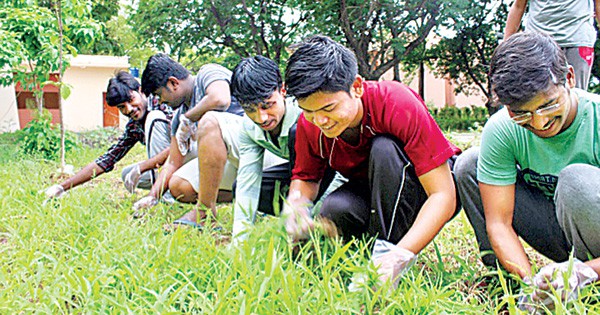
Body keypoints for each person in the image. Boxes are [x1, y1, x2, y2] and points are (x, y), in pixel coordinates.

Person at [282, 35, 461, 287]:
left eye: (329, 109)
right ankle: (370, 257)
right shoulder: (309, 125)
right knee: (334, 209)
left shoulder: (396, 102)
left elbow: (443, 195)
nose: (320, 120)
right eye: (309, 111)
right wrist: (296, 208)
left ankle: (385, 259)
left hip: (423, 188)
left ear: (356, 87)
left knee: (384, 149)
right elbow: (305, 178)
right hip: (370, 191)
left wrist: (397, 258)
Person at [454, 32, 599, 310]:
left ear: (569, 78)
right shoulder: (501, 129)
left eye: (548, 105)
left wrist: (585, 272)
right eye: (521, 113)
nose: (540, 122)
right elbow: (498, 222)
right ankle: (506, 281)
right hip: (557, 232)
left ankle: (589, 285)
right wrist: (532, 286)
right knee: (470, 164)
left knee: (575, 181)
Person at [230, 55, 339, 240]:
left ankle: (310, 218)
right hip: (298, 176)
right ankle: (295, 219)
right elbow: (248, 182)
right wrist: (240, 240)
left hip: (332, 173)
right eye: (250, 109)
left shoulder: (308, 114)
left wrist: (321, 210)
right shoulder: (248, 128)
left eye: (267, 105)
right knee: (242, 187)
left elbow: (341, 169)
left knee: (297, 134)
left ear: (282, 91)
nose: (261, 118)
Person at [134, 53, 245, 230]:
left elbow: (220, 99)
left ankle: (203, 212)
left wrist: (190, 118)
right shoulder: (179, 117)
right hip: (230, 164)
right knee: (178, 185)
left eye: (159, 94)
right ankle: (250, 197)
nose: (161, 102)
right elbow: (172, 162)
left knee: (209, 121)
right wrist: (152, 197)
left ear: (173, 83)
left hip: (252, 149)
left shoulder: (207, 74)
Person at [43, 71, 172, 200]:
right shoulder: (135, 126)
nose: (128, 109)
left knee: (154, 118)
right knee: (127, 174)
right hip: (172, 170)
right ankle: (173, 190)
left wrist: (143, 167)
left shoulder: (162, 102)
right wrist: (62, 187)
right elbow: (107, 159)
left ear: (140, 90)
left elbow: (182, 143)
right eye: (122, 107)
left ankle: (164, 197)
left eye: (131, 100)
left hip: (186, 160)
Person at [504, 0, 600, 90]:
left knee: (576, 96)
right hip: (537, 43)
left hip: (577, 41)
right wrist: (504, 49)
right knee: (534, 96)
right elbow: (518, 6)